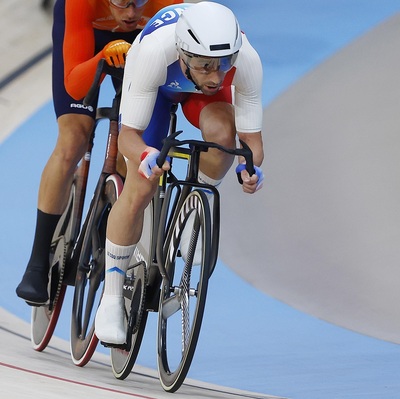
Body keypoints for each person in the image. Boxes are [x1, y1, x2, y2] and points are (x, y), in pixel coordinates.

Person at [94, 1, 265, 345]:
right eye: (205, 66)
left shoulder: (246, 59)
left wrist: (251, 169)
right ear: (184, 54)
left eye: (222, 65)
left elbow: (251, 143)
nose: (216, 76)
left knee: (223, 136)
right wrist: (144, 155)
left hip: (196, 97)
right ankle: (111, 298)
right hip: (156, 90)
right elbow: (129, 136)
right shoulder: (155, 52)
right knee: (141, 187)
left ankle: (191, 211)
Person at [16, 0, 182, 306]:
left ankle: (112, 222)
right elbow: (76, 87)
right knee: (73, 141)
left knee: (136, 146)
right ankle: (37, 262)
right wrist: (102, 58)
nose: (131, 12)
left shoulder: (169, 3)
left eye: (139, 2)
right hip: (90, 39)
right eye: (121, 3)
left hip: (145, 44)